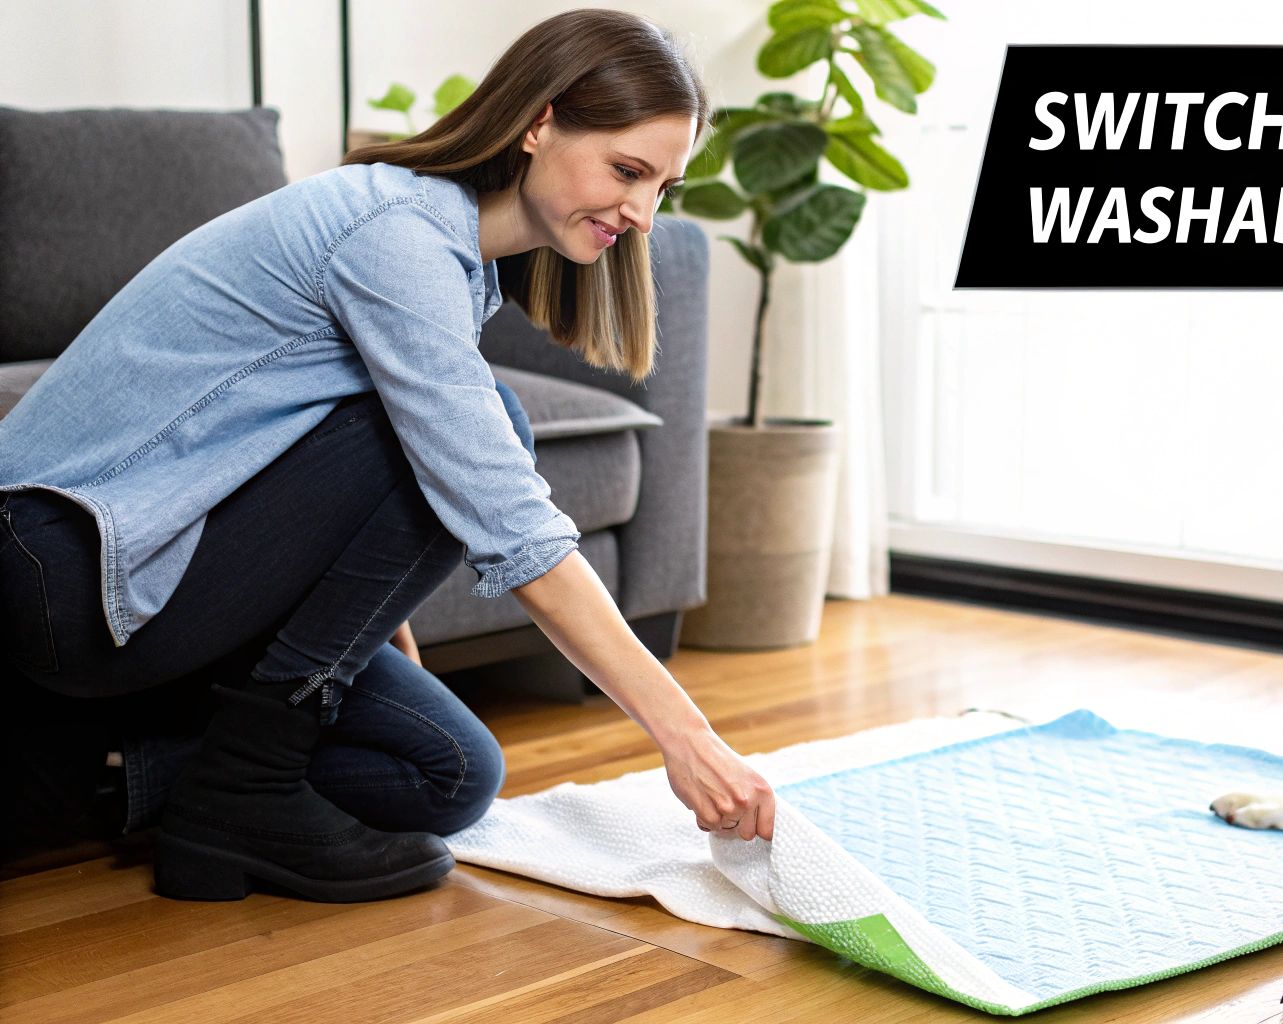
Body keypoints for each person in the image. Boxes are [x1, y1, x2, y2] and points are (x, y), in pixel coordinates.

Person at [0, 8, 776, 902]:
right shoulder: (397, 230)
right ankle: (236, 793)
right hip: (62, 561)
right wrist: (689, 736)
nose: (641, 215)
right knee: (495, 429)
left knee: (449, 774)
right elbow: (498, 508)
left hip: (173, 565)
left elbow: (325, 470)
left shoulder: (457, 260)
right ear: (540, 123)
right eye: (627, 171)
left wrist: (362, 623)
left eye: (663, 188)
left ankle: (96, 774)